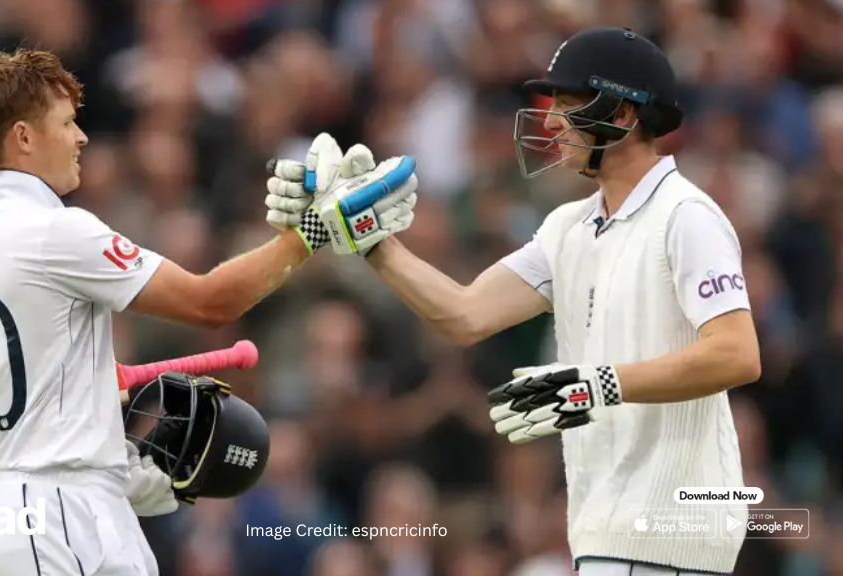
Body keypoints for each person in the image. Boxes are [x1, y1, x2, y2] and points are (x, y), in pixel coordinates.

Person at [268, 27, 760, 576]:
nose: (549, 122)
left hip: (668, 533)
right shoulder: (569, 227)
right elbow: (464, 313)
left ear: (623, 115)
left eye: (569, 105)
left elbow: (737, 355)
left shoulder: (685, 215)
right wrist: (368, 239)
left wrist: (598, 383)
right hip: (607, 533)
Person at [0, 48, 418, 576]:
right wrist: (313, 233)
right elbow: (211, 302)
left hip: (40, 503)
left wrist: (91, 440)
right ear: (23, 137)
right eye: (67, 123)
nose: (81, 137)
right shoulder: (55, 230)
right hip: (62, 510)